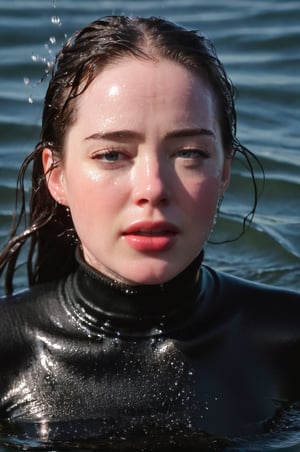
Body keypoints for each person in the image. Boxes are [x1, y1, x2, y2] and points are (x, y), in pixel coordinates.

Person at [0, 15, 299, 450]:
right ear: (57, 175)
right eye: (111, 154)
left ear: (225, 172)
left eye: (189, 153)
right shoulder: (8, 354)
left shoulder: (288, 339)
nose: (154, 188)